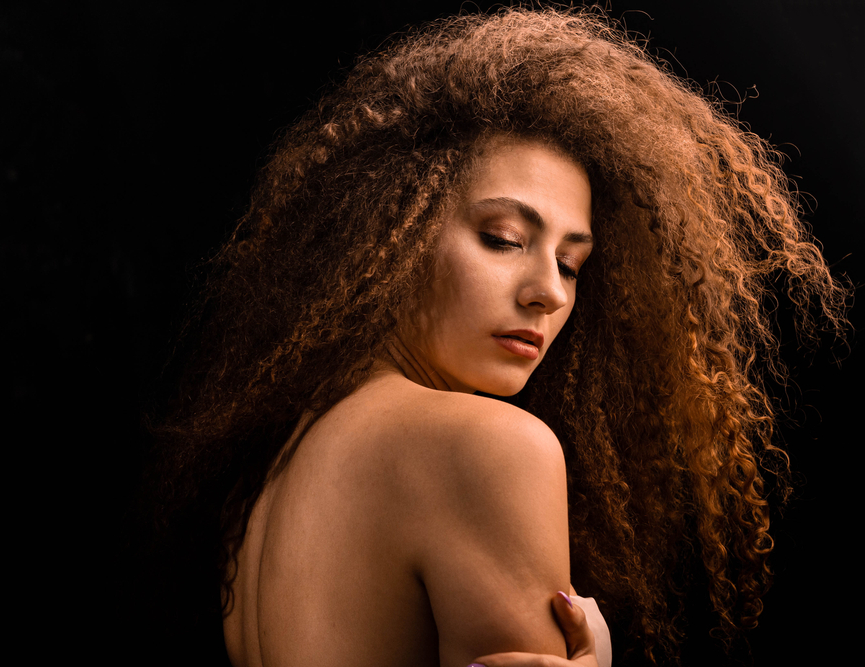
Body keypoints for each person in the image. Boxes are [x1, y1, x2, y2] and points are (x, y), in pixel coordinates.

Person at [148, 6, 848, 665]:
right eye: (504, 238)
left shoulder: (271, 476)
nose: (548, 290)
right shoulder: (491, 447)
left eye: (572, 264)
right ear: (393, 234)